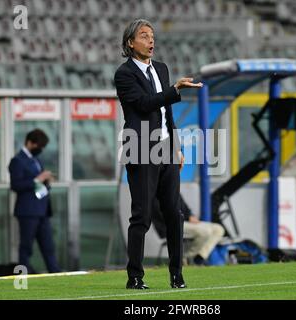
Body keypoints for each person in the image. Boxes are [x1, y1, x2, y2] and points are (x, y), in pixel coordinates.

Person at [114, 19, 202, 289]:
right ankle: (135, 277)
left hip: (166, 149)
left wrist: (177, 147)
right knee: (141, 215)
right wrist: (174, 90)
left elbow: (167, 114)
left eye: (152, 36)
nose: (151, 40)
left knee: (174, 214)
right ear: (130, 43)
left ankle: (177, 275)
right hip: (141, 148)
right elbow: (144, 104)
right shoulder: (124, 74)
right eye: (144, 36)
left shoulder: (161, 69)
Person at [8, 129, 61, 273]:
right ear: (30, 143)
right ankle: (22, 277)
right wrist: (37, 179)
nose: (41, 150)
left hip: (43, 211)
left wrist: (47, 182)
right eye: (39, 146)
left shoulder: (36, 160)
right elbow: (15, 185)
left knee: (49, 247)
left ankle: (57, 276)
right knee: (26, 248)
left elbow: (39, 184)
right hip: (28, 212)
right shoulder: (17, 161)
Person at [152, 195, 225, 266]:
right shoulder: (155, 193)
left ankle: (199, 257)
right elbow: (163, 214)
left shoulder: (172, 188)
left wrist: (190, 215)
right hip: (171, 225)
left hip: (185, 221)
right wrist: (186, 217)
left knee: (218, 229)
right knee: (205, 232)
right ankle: (186, 258)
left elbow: (183, 206)